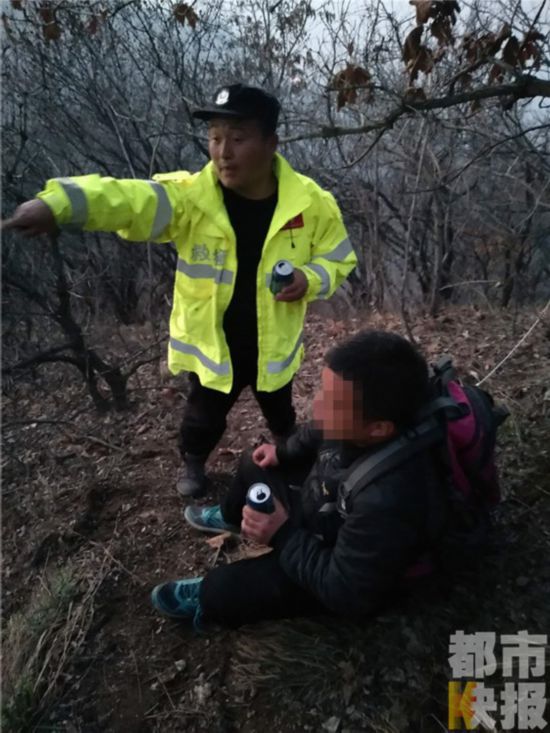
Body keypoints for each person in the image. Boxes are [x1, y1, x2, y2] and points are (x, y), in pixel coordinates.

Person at [2, 83, 357, 498]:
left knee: (280, 409)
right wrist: (58, 206)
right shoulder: (191, 199)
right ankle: (193, 461)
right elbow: (127, 200)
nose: (223, 153)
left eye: (238, 139)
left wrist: (309, 279)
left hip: (274, 344)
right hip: (214, 347)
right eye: (215, 138)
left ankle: (288, 451)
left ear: (271, 143)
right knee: (204, 416)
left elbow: (339, 258)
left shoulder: (310, 204)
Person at [151, 330, 453, 630]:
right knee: (253, 461)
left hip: (337, 560)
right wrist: (282, 453)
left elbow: (346, 591)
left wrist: (282, 535)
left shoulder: (390, 499)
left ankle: (206, 600)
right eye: (323, 390)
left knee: (222, 588)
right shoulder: (358, 421)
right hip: (327, 506)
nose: (317, 404)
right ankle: (231, 518)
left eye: (332, 402)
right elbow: (316, 430)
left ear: (378, 428)